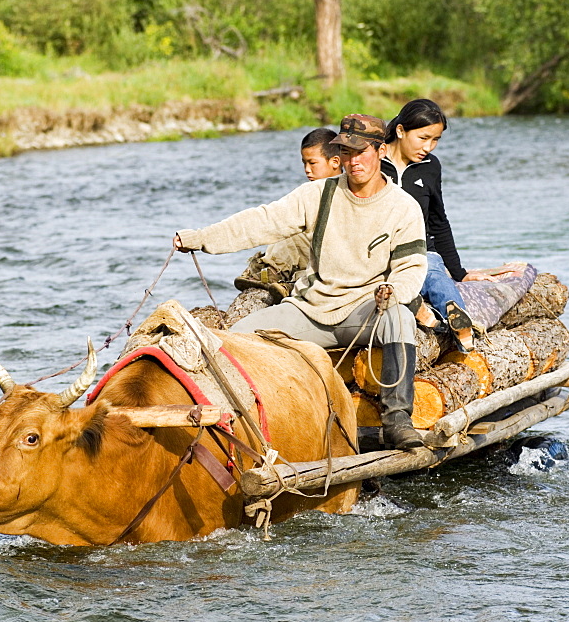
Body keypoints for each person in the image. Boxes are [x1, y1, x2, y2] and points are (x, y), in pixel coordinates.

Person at [174, 114, 428, 450]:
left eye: (361, 152)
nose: (353, 162)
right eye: (346, 153)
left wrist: (394, 291)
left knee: (401, 318)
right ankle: (229, 424)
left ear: (380, 151)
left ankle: (397, 420)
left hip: (367, 311)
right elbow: (261, 221)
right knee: (234, 338)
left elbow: (412, 265)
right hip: (312, 308)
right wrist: (202, 238)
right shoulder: (318, 195)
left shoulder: (403, 207)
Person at [381, 98, 503, 351]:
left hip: (421, 249)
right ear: (401, 131)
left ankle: (460, 322)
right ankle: (416, 305)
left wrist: (460, 272)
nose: (429, 147)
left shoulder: (430, 166)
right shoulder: (373, 163)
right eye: (423, 137)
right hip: (381, 251)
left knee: (434, 273)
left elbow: (438, 219)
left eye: (435, 140)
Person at [233, 127, 342, 300]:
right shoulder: (310, 192)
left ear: (335, 162)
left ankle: (272, 272)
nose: (307, 169)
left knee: (292, 234)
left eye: (312, 163)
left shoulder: (341, 189)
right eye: (304, 163)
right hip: (316, 256)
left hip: (333, 258)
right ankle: (280, 278)